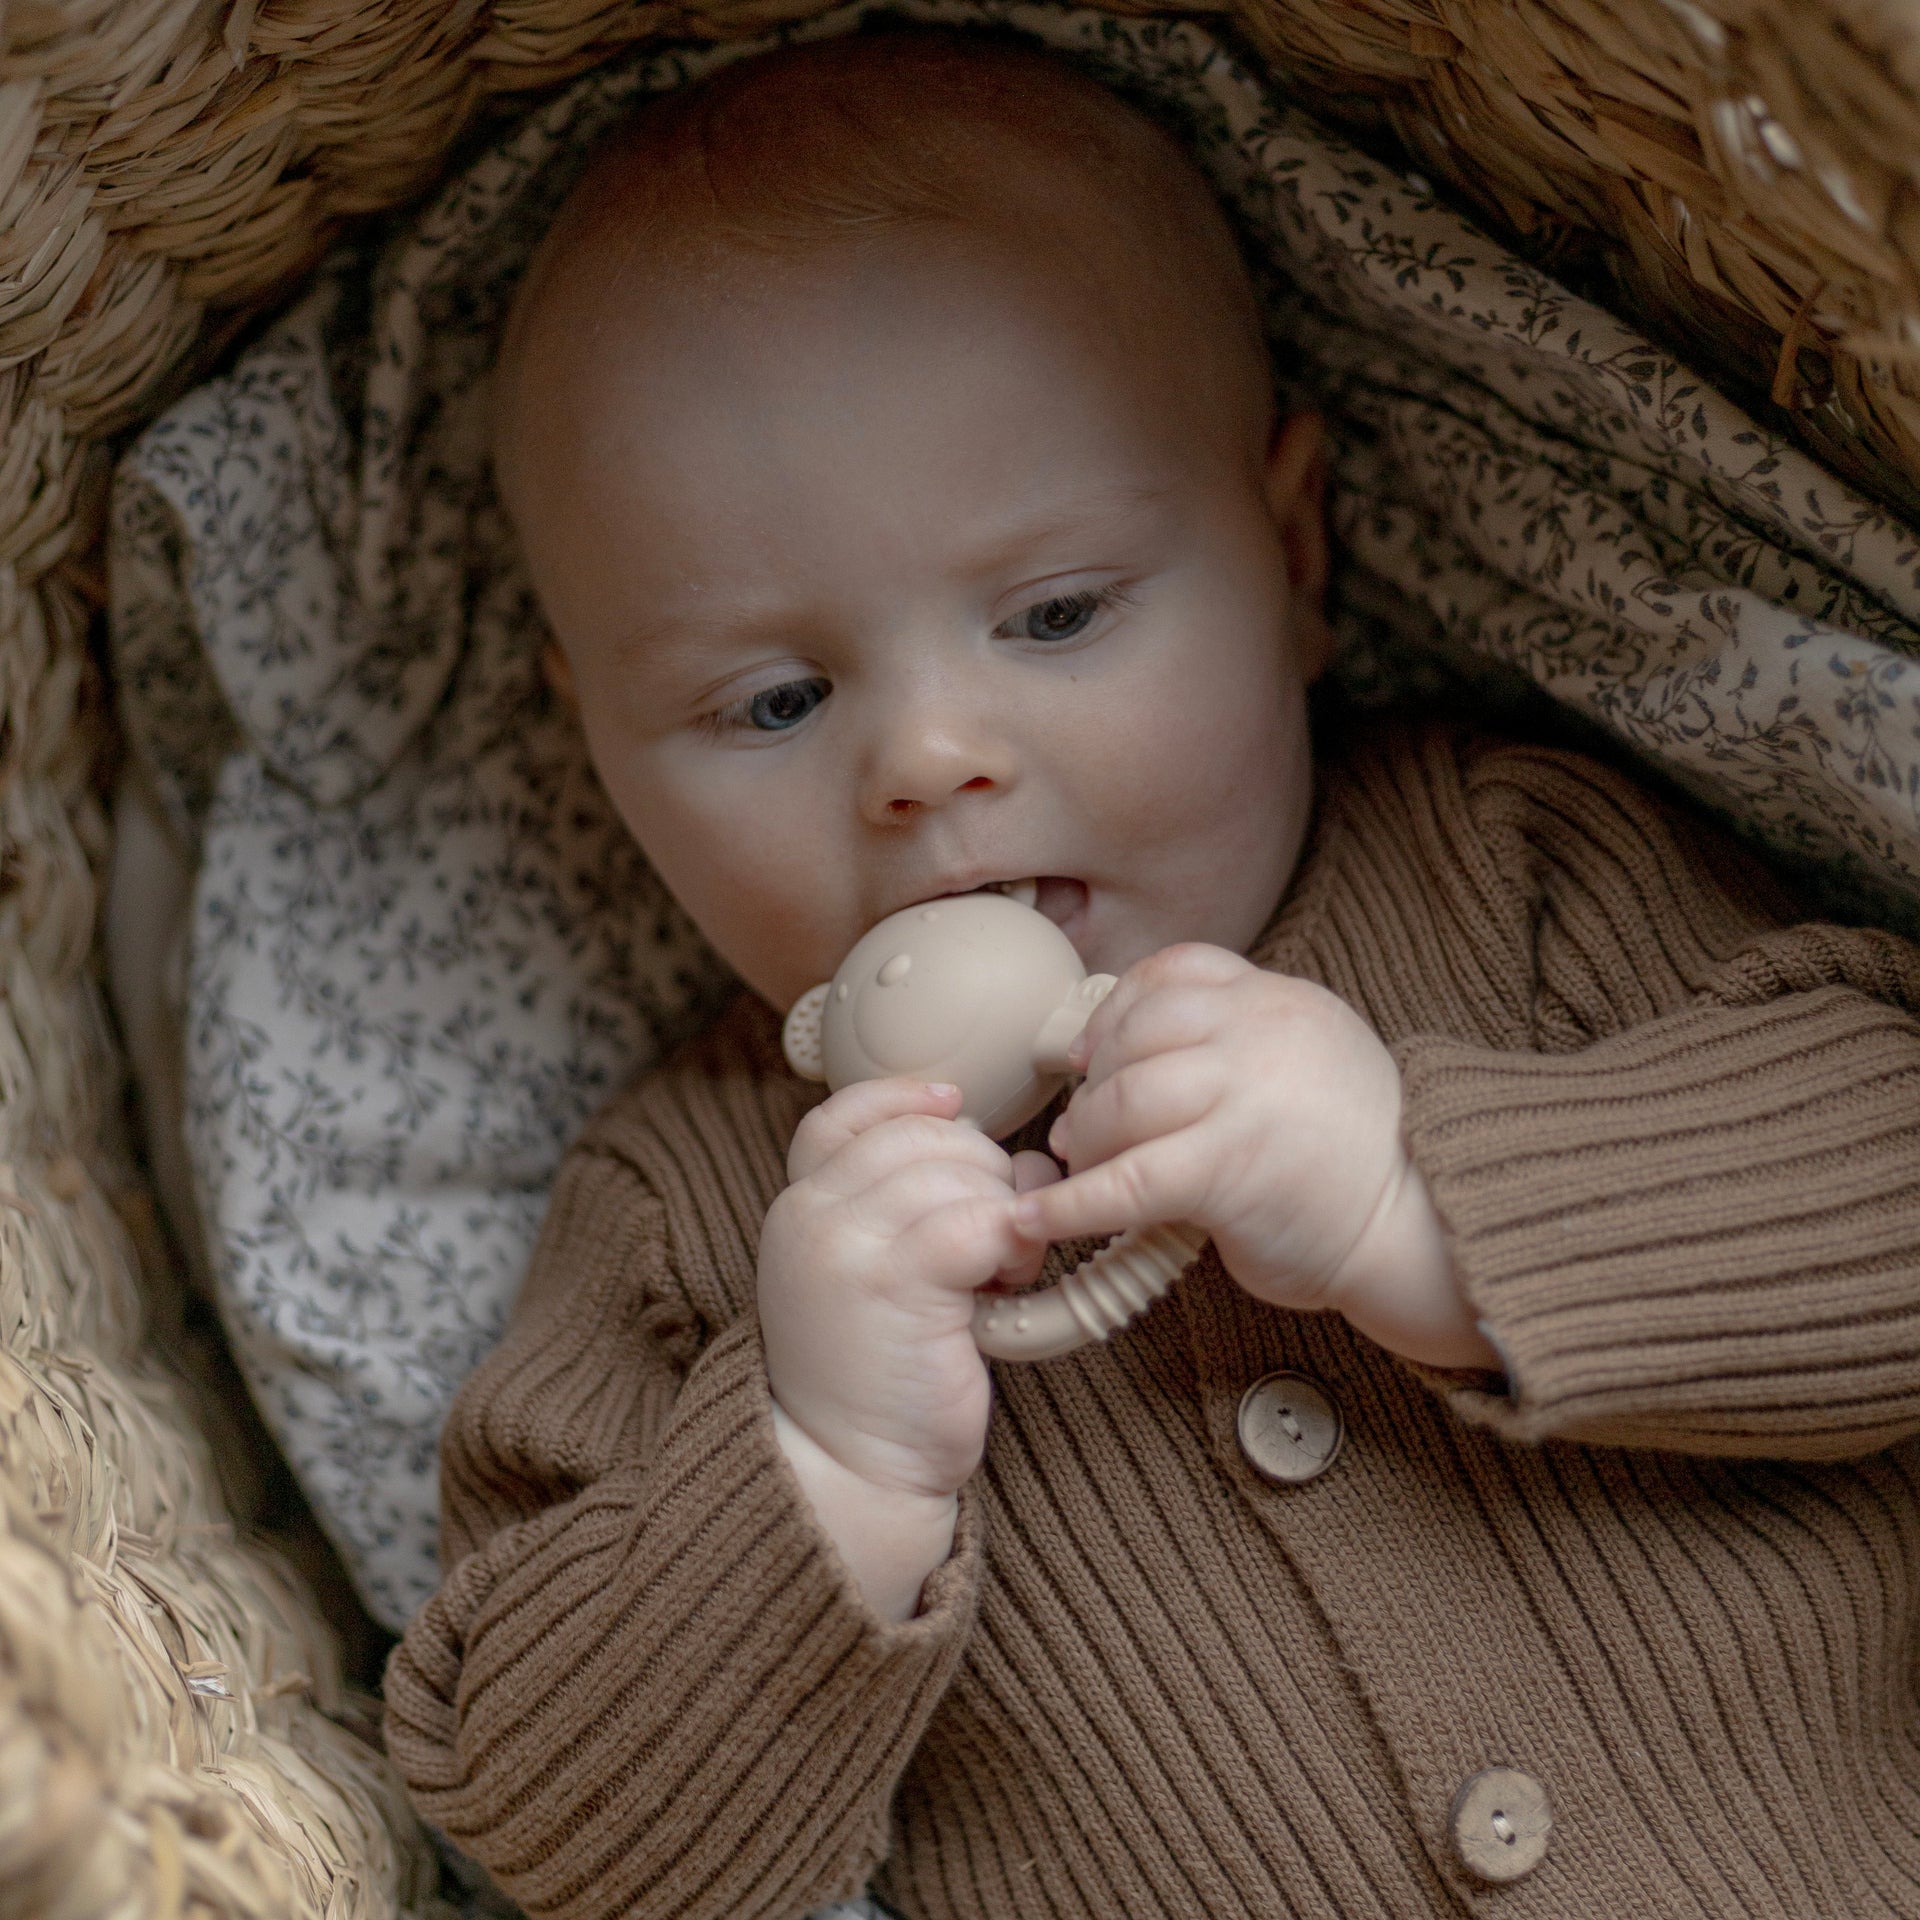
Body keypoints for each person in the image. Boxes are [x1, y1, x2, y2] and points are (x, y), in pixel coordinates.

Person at [382, 28, 1920, 1920]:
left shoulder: (1498, 864)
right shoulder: (699, 1215)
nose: (927, 755)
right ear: (602, 754)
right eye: (774, 701)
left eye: (1053, 614)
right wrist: (825, 1463)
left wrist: (1414, 1189)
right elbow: (547, 1825)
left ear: (1293, 554)